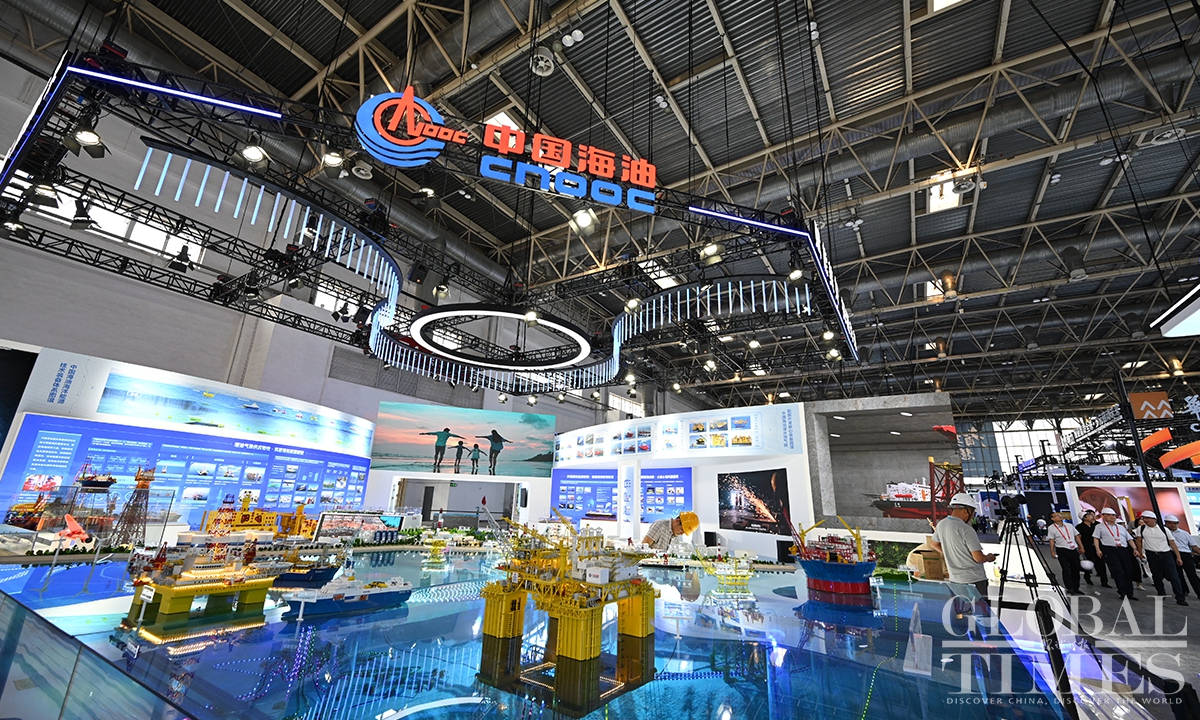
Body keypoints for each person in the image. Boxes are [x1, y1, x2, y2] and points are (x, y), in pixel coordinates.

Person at [930, 493, 996, 600]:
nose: (973, 516)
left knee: (961, 609)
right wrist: (989, 557)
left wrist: (949, 553)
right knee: (979, 609)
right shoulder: (966, 529)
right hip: (974, 580)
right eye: (973, 512)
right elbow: (978, 558)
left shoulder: (941, 524)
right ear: (966, 511)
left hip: (955, 581)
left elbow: (934, 544)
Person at [1134, 510, 1188, 606]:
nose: (1145, 520)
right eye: (1144, 518)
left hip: (1166, 554)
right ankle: (1161, 592)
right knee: (1157, 576)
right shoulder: (1141, 529)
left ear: (1154, 519)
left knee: (1174, 576)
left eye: (1147, 518)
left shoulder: (1164, 529)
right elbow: (1139, 541)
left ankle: (1180, 597)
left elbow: (1172, 543)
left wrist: (1178, 557)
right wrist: (1140, 553)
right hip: (1152, 554)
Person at [1094, 507, 1138, 600]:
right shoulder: (1099, 527)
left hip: (1123, 550)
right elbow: (1096, 538)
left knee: (1128, 571)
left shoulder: (1120, 527)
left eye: (1113, 515)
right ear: (1103, 516)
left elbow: (1129, 539)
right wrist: (1098, 549)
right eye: (1109, 515)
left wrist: (1135, 549)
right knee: (1118, 571)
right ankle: (1122, 592)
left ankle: (1130, 592)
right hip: (1110, 550)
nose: (1112, 517)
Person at [1047, 512, 1084, 595]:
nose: (1060, 516)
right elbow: (1051, 540)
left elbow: (1077, 536)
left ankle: (1076, 587)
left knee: (1076, 568)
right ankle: (1070, 587)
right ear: (1052, 519)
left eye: (1059, 515)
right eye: (1057, 515)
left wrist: (1081, 546)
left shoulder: (1069, 526)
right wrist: (1052, 551)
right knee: (1066, 569)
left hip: (1073, 549)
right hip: (1062, 550)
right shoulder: (1051, 528)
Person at [1164, 514, 1200, 597]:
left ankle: (1199, 591)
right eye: (1170, 523)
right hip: (1172, 554)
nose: (1173, 525)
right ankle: (1183, 590)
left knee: (1192, 574)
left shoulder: (1184, 533)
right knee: (1178, 574)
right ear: (1166, 523)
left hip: (1185, 554)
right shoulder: (1164, 533)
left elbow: (1193, 545)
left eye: (1175, 523)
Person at [1076, 510, 1110, 588]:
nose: (1091, 517)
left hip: (1098, 546)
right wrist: (1081, 547)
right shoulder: (1079, 527)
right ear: (1084, 518)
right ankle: (1087, 577)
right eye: (1089, 516)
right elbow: (1079, 537)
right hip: (1087, 547)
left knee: (1101, 563)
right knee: (1088, 564)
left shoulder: (1097, 525)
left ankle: (1104, 581)